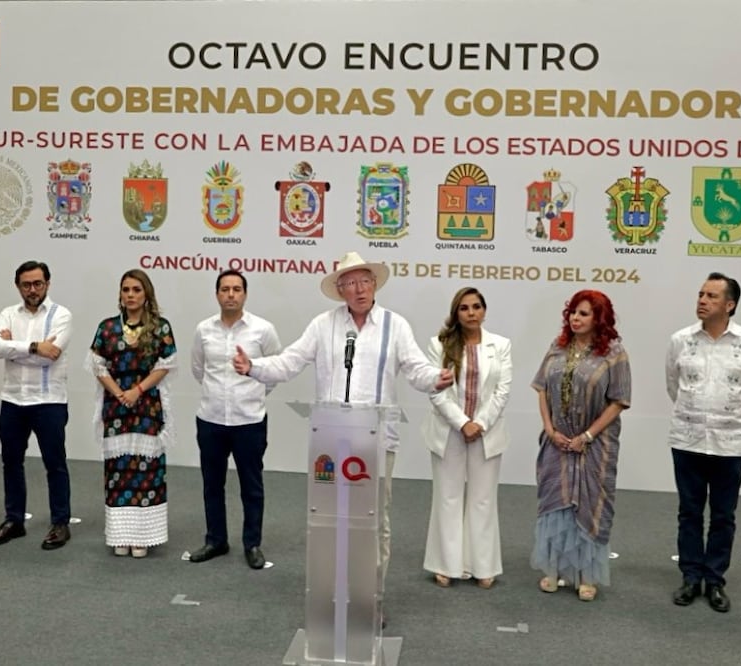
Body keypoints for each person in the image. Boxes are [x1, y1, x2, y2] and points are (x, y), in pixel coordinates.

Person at [233, 251, 453, 619]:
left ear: (375, 284)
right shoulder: (324, 325)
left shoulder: (394, 325)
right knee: (332, 523)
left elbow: (416, 369)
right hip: (331, 442)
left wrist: (436, 378)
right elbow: (289, 362)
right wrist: (252, 367)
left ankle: (371, 597)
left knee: (374, 523)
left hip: (377, 440)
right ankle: (333, 594)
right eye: (350, 283)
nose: (359, 289)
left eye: (365, 281)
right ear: (340, 290)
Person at [666, 273, 741, 612]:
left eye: (711, 295)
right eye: (700, 294)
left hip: (731, 444)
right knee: (689, 512)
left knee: (724, 515)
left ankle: (715, 580)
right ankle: (691, 577)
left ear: (730, 304)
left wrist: (731, 423)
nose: (702, 300)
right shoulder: (680, 340)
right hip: (688, 439)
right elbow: (673, 385)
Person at [531, 289, 630, 602]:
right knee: (556, 500)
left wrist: (586, 436)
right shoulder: (558, 347)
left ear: (598, 318)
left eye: (584, 313)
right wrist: (550, 429)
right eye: (573, 312)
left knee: (588, 502)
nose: (576, 318)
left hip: (594, 444)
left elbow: (619, 401)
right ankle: (554, 569)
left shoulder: (613, 352)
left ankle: (588, 574)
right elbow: (542, 389)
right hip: (557, 440)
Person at [189, 269, 281, 569]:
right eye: (225, 289)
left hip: (249, 420)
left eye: (237, 289)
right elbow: (198, 369)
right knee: (211, 484)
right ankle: (216, 540)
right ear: (217, 294)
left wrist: (251, 393)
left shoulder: (262, 330)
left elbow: (272, 370)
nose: (231, 294)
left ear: (245, 294)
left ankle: (252, 544)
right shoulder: (203, 329)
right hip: (211, 419)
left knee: (251, 486)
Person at [421, 287, 512, 589]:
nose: (471, 312)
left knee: (482, 500)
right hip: (449, 432)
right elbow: (437, 390)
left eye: (476, 306)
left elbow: (502, 391)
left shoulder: (501, 345)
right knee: (448, 498)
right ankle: (446, 564)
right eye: (464, 308)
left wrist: (480, 423)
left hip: (486, 434)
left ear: (484, 310)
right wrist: (462, 423)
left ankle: (482, 566)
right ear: (456, 313)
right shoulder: (439, 345)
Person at [86, 269, 176, 558]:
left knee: (146, 470)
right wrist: (118, 392)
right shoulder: (107, 327)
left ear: (146, 294)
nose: (131, 295)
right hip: (116, 407)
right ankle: (120, 535)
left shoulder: (160, 327)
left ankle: (144, 537)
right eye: (126, 290)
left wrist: (137, 390)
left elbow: (166, 364)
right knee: (118, 471)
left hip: (147, 406)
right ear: (120, 295)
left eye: (136, 290)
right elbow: (97, 365)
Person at [0, 260, 73, 550]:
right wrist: (34, 345)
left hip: (48, 401)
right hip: (12, 400)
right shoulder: (7, 314)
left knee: (55, 464)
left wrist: (16, 348)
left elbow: (53, 353)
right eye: (26, 284)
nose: (32, 289)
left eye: (38, 283)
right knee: (11, 462)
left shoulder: (62, 315)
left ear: (48, 284)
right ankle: (14, 520)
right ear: (18, 286)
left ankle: (60, 522)